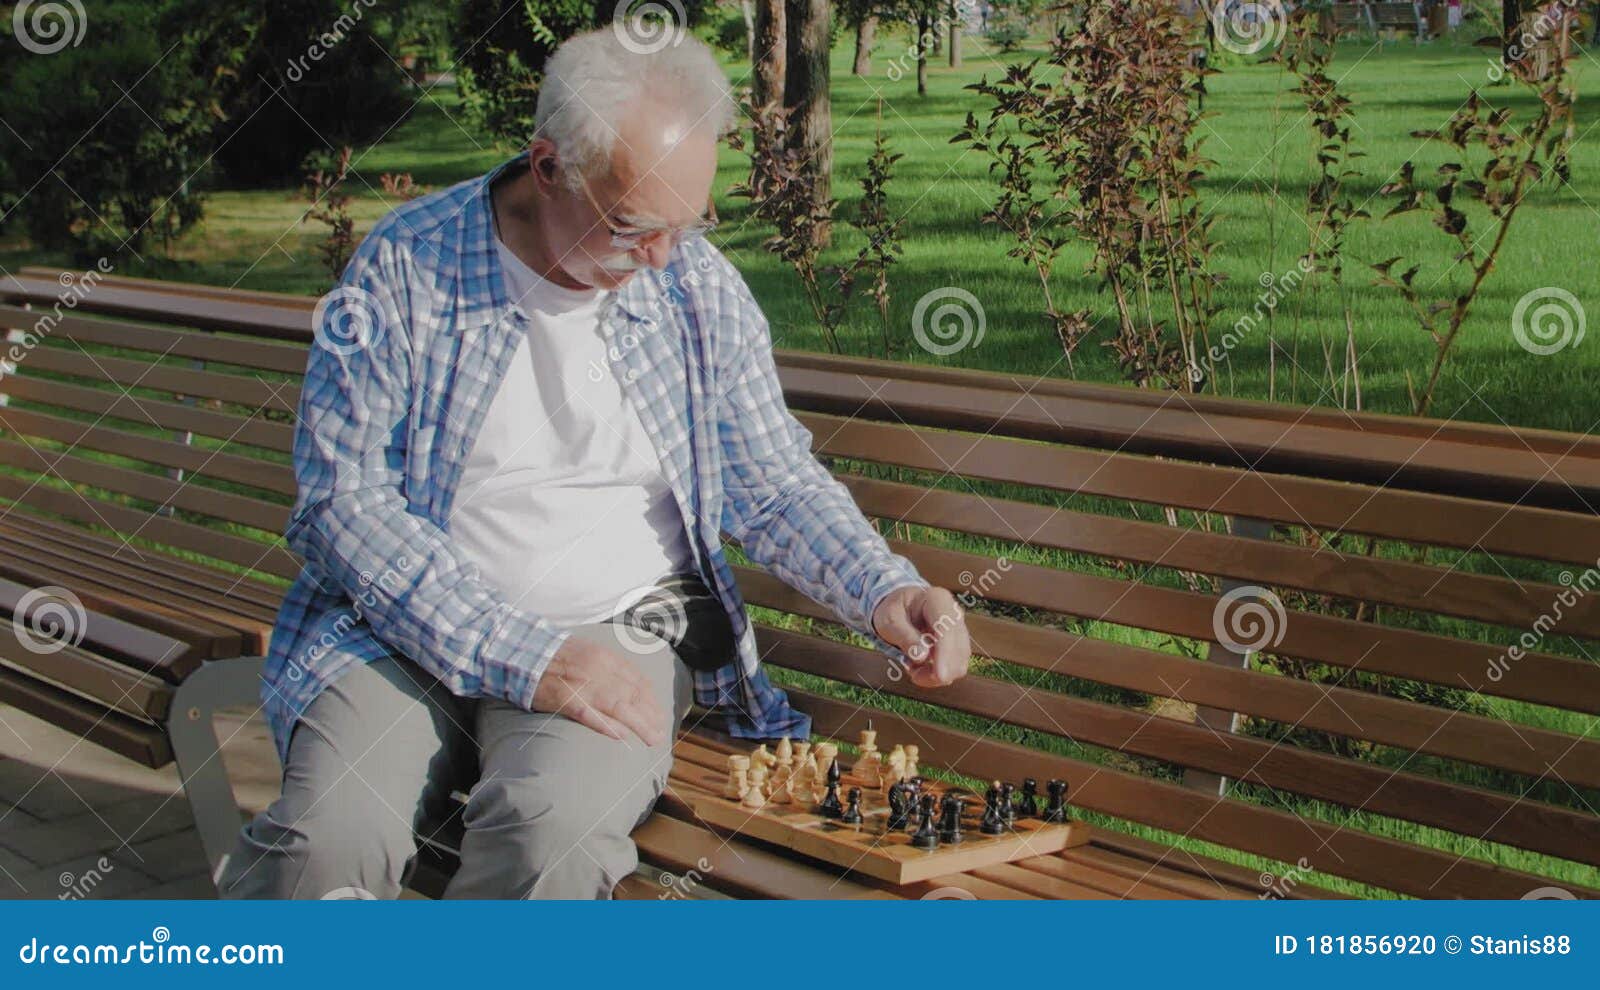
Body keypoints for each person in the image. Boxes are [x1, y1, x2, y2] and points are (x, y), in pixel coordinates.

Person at [216, 27, 970, 900]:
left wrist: (883, 588)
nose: (659, 258)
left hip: (618, 628)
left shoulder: (694, 285)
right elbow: (343, 502)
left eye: (687, 225)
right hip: (399, 631)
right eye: (631, 226)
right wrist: (519, 651)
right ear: (547, 169)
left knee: (548, 833)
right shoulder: (407, 269)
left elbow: (772, 481)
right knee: (327, 840)